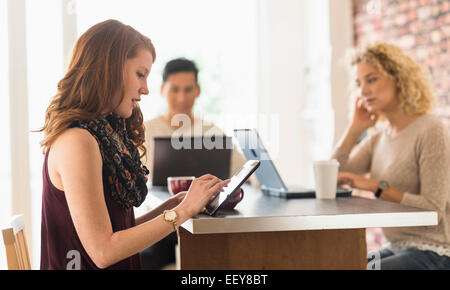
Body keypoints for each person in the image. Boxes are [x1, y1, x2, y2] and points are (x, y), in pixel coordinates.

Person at [39, 19, 230, 270]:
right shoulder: (78, 141)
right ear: (109, 69)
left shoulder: (99, 135)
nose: (146, 89)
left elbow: (118, 233)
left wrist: (175, 206)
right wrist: (181, 213)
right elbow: (103, 251)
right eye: (140, 74)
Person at [333, 42, 450, 270]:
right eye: (359, 83)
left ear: (398, 78)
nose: (363, 90)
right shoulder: (379, 137)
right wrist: (354, 129)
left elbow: (434, 208)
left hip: (436, 252)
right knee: (339, 266)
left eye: (372, 79)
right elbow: (332, 176)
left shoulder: (431, 129)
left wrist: (374, 186)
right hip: (397, 246)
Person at [140, 58, 248, 269]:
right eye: (175, 89)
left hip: (205, 221)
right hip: (160, 222)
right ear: (162, 89)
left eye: (188, 89)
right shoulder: (144, 131)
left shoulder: (211, 132)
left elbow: (243, 171)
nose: (182, 97)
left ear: (197, 91)